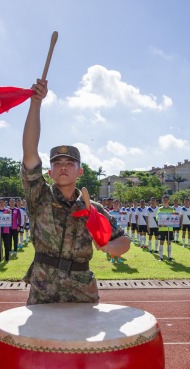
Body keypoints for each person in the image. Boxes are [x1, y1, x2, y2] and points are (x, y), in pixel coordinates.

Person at [21, 77, 129, 313]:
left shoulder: (93, 208)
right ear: (49, 172)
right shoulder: (39, 197)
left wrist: (107, 246)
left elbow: (124, 242)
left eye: (69, 163)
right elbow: (29, 152)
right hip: (43, 283)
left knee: (83, 346)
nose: (62, 167)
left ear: (79, 171)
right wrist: (35, 104)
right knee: (40, 345)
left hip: (81, 285)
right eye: (57, 163)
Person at [157, 195, 177, 261]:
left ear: (168, 201)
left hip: (169, 228)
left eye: (166, 200)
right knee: (161, 242)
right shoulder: (160, 209)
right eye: (164, 200)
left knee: (169, 242)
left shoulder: (172, 209)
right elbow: (157, 218)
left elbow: (174, 217)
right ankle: (161, 257)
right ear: (162, 201)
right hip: (162, 228)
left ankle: (169, 257)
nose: (165, 201)